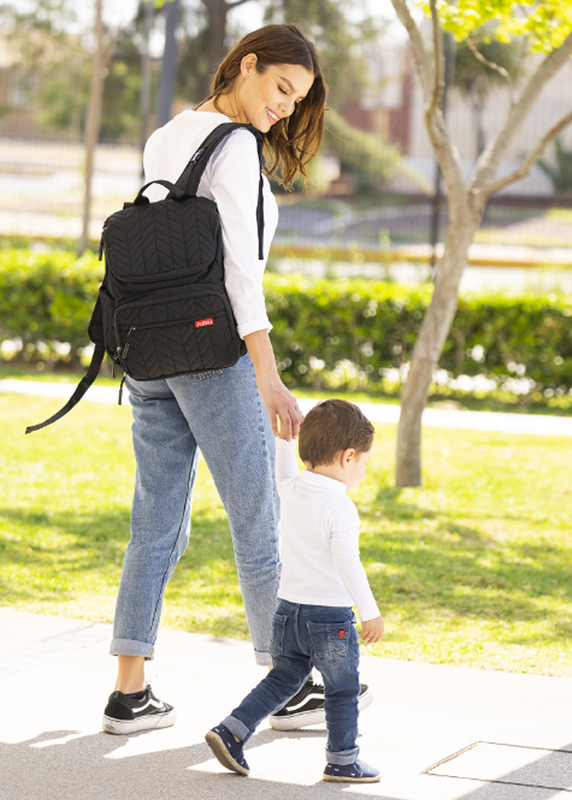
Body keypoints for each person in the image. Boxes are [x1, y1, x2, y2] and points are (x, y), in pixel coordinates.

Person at [102, 23, 329, 736]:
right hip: (214, 357)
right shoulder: (235, 147)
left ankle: (128, 694)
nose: (286, 109)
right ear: (248, 65)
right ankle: (286, 683)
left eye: (297, 101)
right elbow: (238, 274)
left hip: (148, 353)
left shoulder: (166, 133)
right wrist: (269, 377)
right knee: (259, 520)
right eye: (281, 89)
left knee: (155, 524)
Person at [205, 399, 384, 783]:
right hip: (330, 619)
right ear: (348, 457)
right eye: (365, 463)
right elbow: (347, 563)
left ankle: (232, 731)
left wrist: (286, 437)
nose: (365, 471)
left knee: (283, 679)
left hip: (287, 613)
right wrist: (369, 611)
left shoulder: (292, 490)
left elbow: (283, 466)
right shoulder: (340, 507)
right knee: (342, 689)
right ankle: (342, 761)